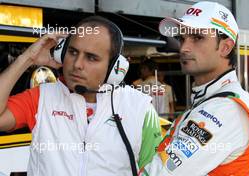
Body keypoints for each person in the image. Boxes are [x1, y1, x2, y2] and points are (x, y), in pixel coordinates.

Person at [0, 16, 162, 176]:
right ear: (60, 54)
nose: (77, 64)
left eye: (91, 57)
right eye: (72, 52)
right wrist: (27, 58)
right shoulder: (42, 97)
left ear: (114, 68)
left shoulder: (140, 108)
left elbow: (154, 171)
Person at [139, 1, 249, 176]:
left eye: (197, 38)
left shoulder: (225, 109)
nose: (184, 48)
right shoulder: (220, 99)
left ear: (225, 47)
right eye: (182, 38)